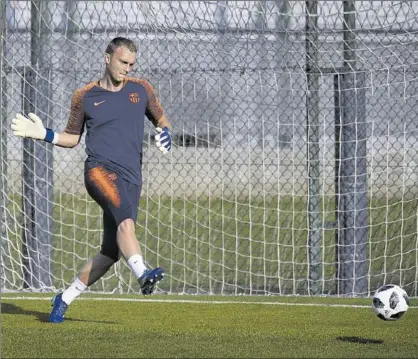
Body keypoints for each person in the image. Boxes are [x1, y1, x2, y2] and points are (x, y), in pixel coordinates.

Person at [11, 37, 172, 323]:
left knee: (110, 253)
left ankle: (64, 297)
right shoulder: (84, 95)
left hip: (132, 177)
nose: (127, 68)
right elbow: (73, 137)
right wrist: (43, 134)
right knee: (126, 221)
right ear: (107, 58)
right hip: (98, 170)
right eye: (123, 62)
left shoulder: (141, 89)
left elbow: (162, 118)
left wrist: (166, 132)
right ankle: (142, 273)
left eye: (132, 64)